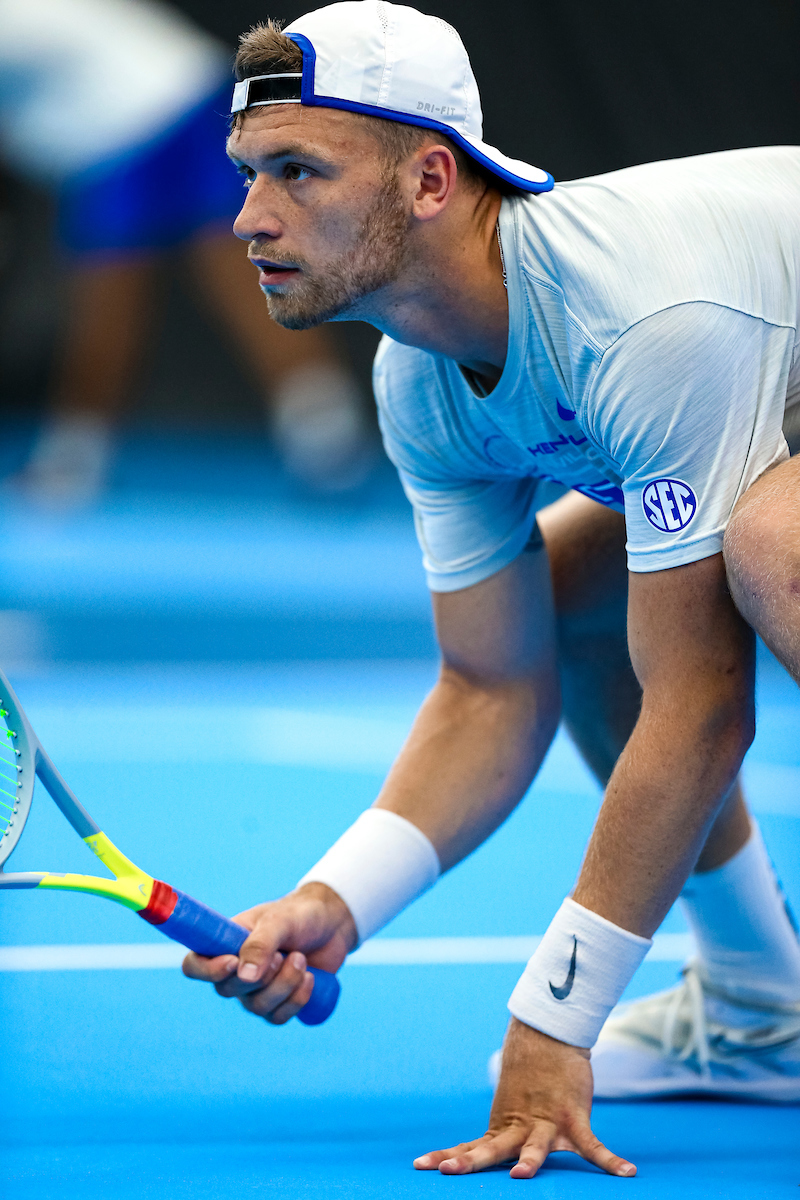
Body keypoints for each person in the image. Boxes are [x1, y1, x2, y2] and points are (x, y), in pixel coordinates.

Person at [182, 0, 800, 1179]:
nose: (250, 217)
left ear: (428, 179)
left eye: (298, 171)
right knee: (575, 598)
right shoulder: (419, 387)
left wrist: (555, 1016)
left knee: (773, 545)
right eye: (248, 173)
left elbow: (701, 708)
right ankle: (758, 1007)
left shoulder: (639, 317)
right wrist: (336, 901)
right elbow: (489, 685)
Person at [0, 0, 371, 501]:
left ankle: (70, 467)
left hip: (125, 122)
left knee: (128, 294)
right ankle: (327, 434)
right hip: (191, 93)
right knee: (240, 266)